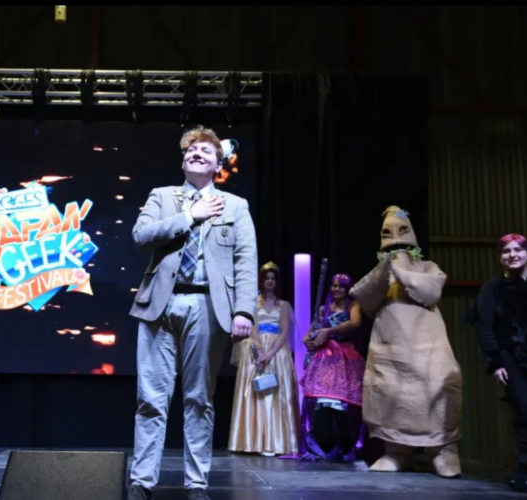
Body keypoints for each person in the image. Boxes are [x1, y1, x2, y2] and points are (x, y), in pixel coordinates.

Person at [127, 126, 258, 500]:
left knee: (199, 399)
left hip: (207, 306)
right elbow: (140, 237)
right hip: (159, 305)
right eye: (191, 149)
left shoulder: (235, 206)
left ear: (218, 165)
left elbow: (245, 260)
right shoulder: (162, 196)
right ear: (183, 160)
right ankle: (142, 482)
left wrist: (244, 310)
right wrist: (190, 215)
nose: (197, 153)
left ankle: (196, 484)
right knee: (150, 399)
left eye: (206, 150)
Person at [349, 206, 463, 477]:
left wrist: (402, 272)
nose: (395, 239)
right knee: (391, 393)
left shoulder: (427, 267)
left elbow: (432, 290)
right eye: (387, 233)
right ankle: (397, 452)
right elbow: (365, 297)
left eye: (401, 231)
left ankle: (443, 451)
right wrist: (386, 269)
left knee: (435, 389)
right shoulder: (382, 271)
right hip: (390, 345)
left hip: (427, 345)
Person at [464, 234, 527, 492]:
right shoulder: (492, 289)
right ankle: (526, 472)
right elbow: (485, 328)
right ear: (500, 258)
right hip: (512, 360)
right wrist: (494, 363)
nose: (512, 255)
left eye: (518, 250)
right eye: (506, 251)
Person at [228, 262, 298, 457]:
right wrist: (259, 351)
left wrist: (270, 353)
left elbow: (284, 332)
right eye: (266, 278)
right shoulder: (252, 303)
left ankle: (275, 442)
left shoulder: (283, 305)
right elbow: (252, 327)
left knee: (275, 395)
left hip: (277, 351)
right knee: (255, 393)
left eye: (273, 278)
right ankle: (252, 441)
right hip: (254, 346)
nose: (269, 281)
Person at [297, 273, 365, 462]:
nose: (337, 289)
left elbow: (355, 323)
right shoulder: (323, 309)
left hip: (345, 357)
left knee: (344, 403)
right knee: (320, 402)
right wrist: (308, 341)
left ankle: (346, 447)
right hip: (325, 359)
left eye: (341, 286)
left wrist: (330, 331)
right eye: (334, 286)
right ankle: (320, 447)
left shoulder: (352, 305)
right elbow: (309, 334)